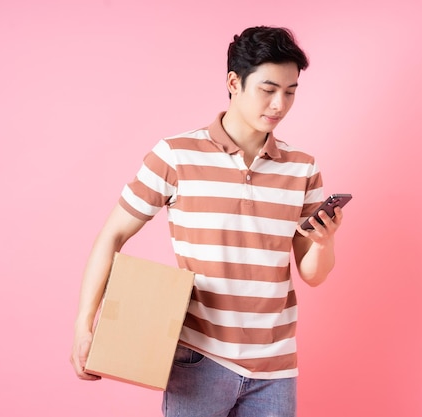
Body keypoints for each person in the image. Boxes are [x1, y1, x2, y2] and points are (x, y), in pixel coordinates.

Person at [70, 25, 344, 417]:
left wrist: (323, 241)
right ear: (234, 82)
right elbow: (112, 234)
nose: (279, 105)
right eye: (268, 90)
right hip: (199, 358)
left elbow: (313, 274)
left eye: (290, 91)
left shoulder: (303, 167)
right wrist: (85, 325)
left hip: (276, 367)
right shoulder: (176, 155)